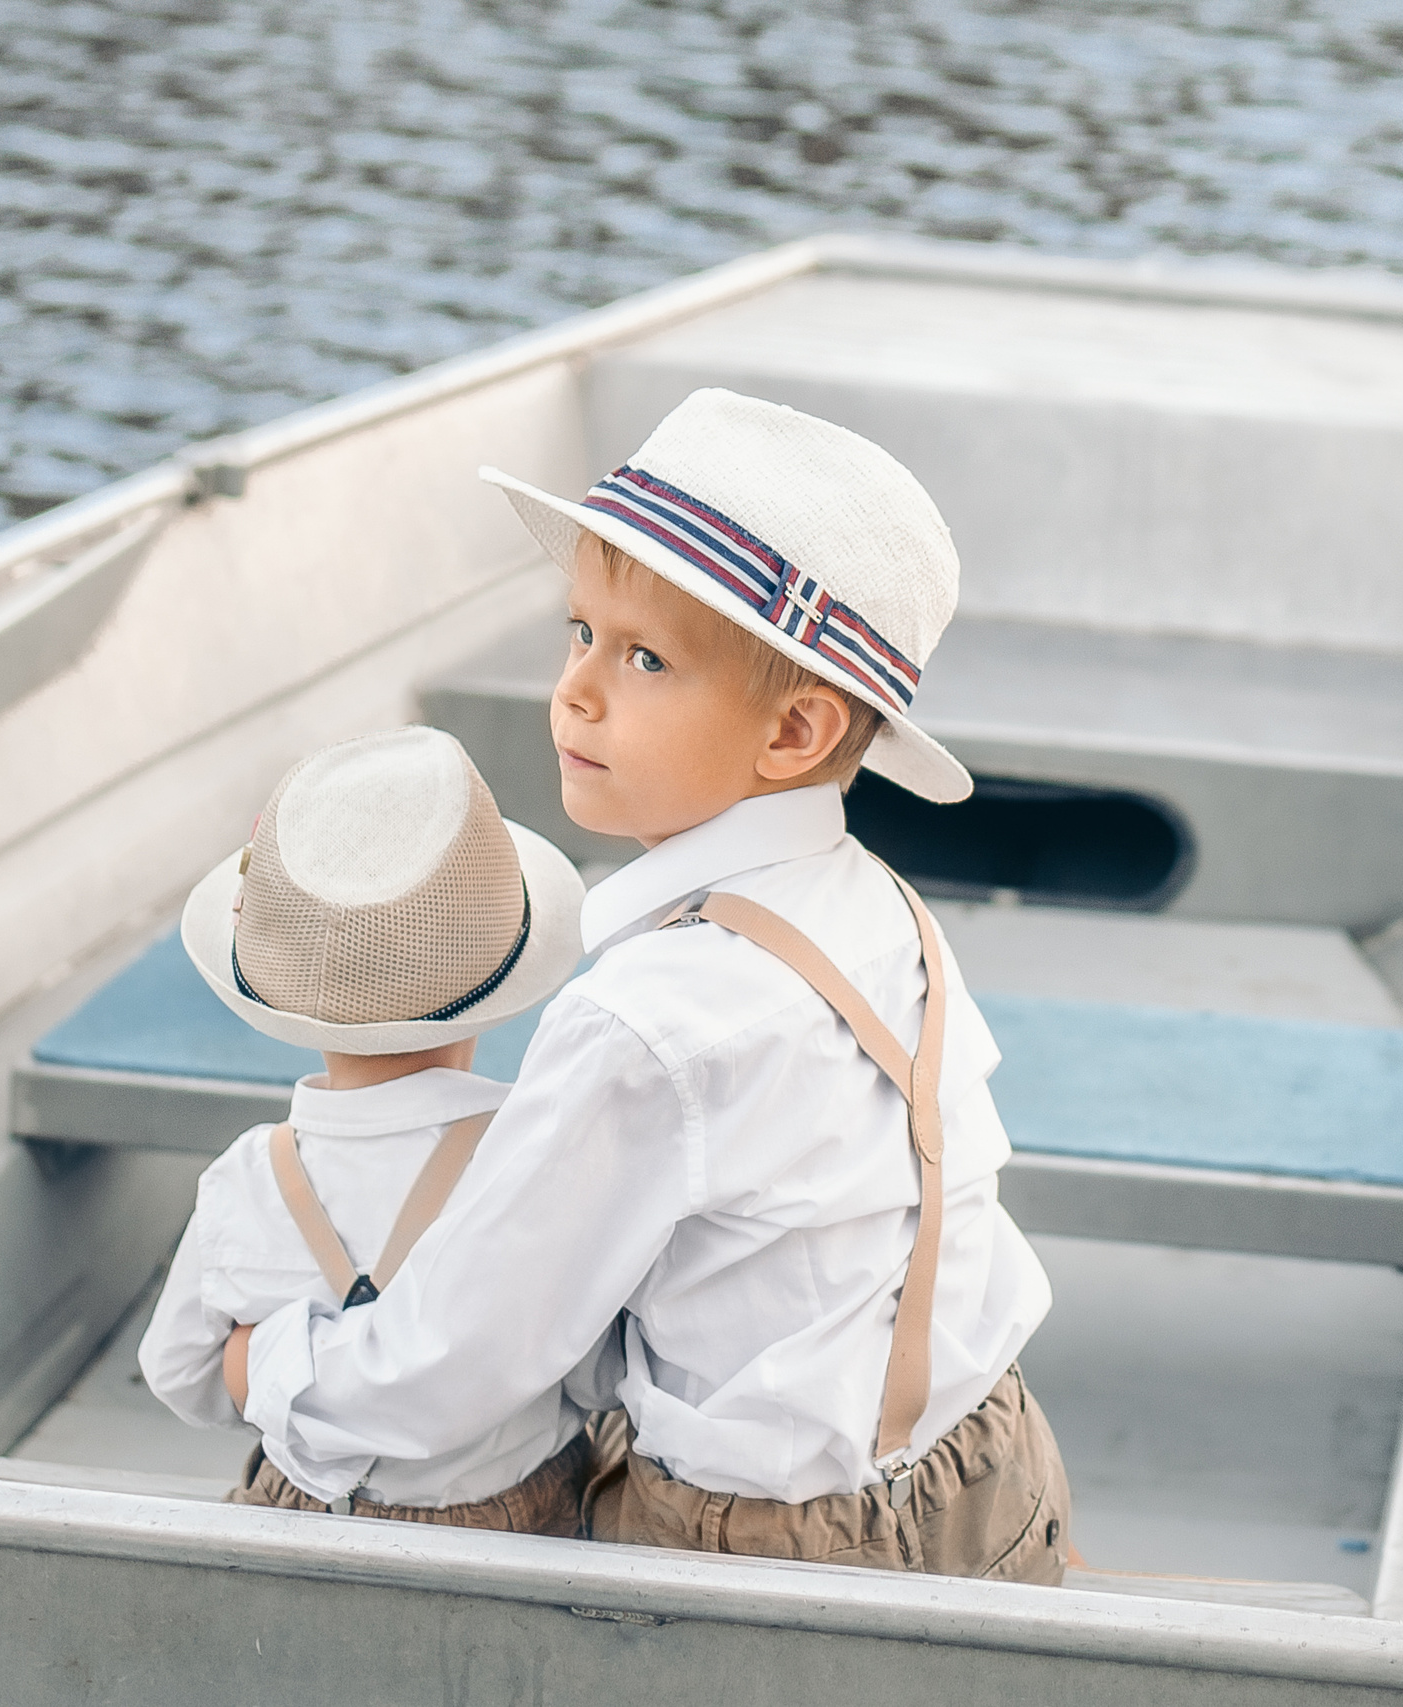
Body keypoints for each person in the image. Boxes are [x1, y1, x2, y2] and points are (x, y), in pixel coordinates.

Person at [228, 387, 1071, 1579]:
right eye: (579, 632)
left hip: (778, 1540)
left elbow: (449, 1374)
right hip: (987, 1455)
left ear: (791, 736)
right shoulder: (878, 904)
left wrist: (260, 1358)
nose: (576, 689)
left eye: (643, 657)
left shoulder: (646, 1019)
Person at [137, 724, 598, 1533]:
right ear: (496, 984)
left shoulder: (247, 1175)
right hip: (522, 1522)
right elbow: (591, 1369)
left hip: (303, 1512)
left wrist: (268, 1356)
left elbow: (177, 1369)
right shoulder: (534, 1152)